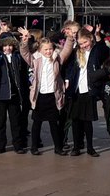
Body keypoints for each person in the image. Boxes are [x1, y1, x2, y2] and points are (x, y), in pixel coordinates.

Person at [18, 26, 74, 155]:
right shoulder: (35, 59)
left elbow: (66, 50)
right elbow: (25, 53)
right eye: (46, 49)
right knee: (37, 123)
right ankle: (34, 147)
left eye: (50, 49)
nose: (48, 51)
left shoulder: (57, 58)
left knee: (54, 124)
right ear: (40, 49)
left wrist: (70, 38)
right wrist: (25, 40)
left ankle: (58, 148)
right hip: (40, 95)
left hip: (53, 96)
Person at [63, 27, 109, 157]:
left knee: (87, 121)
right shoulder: (76, 52)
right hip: (76, 90)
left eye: (85, 42)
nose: (84, 46)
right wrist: (67, 79)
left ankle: (90, 147)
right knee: (76, 121)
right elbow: (70, 67)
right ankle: (76, 147)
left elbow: (104, 50)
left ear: (90, 39)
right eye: (81, 43)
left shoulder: (96, 50)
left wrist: (98, 35)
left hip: (89, 90)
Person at [0, 36, 30, 153]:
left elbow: (24, 73)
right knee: (0, 122)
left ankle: (18, 145)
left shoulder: (17, 57)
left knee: (16, 121)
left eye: (10, 45)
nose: (8, 48)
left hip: (14, 94)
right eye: (5, 46)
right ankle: (1, 145)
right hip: (1, 94)